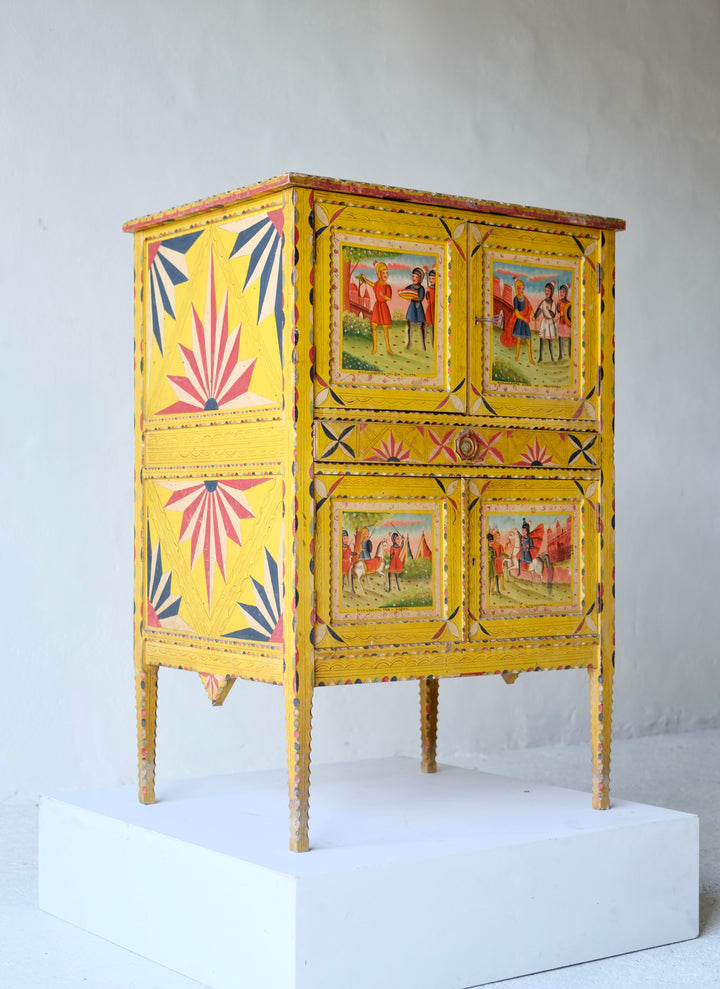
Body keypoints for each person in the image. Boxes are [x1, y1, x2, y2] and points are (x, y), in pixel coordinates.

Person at [360, 261, 395, 355]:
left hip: (384, 307)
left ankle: (388, 348)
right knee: (374, 326)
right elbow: (372, 284)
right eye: (383, 273)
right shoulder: (377, 284)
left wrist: (383, 296)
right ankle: (374, 348)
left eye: (387, 273)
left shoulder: (387, 286)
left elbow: (389, 298)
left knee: (385, 328)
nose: (386, 275)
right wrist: (365, 279)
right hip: (377, 307)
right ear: (379, 274)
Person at [501, 279, 535, 364]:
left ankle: (531, 359)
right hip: (519, 322)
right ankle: (516, 357)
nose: (522, 290)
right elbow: (517, 313)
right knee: (518, 340)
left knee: (529, 340)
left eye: (523, 288)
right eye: (520, 288)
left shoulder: (525, 299)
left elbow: (530, 308)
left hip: (525, 323)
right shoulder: (516, 299)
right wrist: (524, 319)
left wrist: (533, 315)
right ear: (517, 289)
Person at [401, 267, 426, 349]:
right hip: (412, 309)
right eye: (413, 276)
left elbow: (421, 298)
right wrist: (407, 295)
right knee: (410, 326)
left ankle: (423, 344)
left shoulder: (421, 288)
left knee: (421, 327)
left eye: (416, 277)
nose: (414, 278)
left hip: (419, 309)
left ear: (420, 278)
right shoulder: (410, 287)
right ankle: (409, 343)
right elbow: (404, 291)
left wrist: (413, 296)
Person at [534, 282, 558, 362]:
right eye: (545, 290)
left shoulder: (553, 303)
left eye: (548, 291)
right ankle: (540, 358)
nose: (546, 292)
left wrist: (549, 310)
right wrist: (535, 316)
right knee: (542, 340)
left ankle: (552, 357)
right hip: (544, 323)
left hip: (550, 323)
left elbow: (553, 315)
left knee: (550, 341)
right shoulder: (543, 302)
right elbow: (539, 310)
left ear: (551, 292)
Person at [557, 283, 572, 359]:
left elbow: (570, 312)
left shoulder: (568, 303)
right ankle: (560, 355)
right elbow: (558, 311)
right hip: (561, 322)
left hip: (567, 323)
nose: (561, 293)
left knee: (569, 338)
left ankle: (570, 354)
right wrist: (557, 307)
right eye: (560, 292)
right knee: (560, 338)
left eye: (563, 292)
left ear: (566, 293)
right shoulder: (559, 302)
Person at [423, 268, 436, 350]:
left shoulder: (437, 289)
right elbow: (427, 299)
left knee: (432, 327)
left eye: (433, 278)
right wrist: (427, 293)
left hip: (434, 309)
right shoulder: (429, 288)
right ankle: (423, 342)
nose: (431, 280)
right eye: (430, 278)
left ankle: (433, 344)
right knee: (425, 324)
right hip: (429, 308)